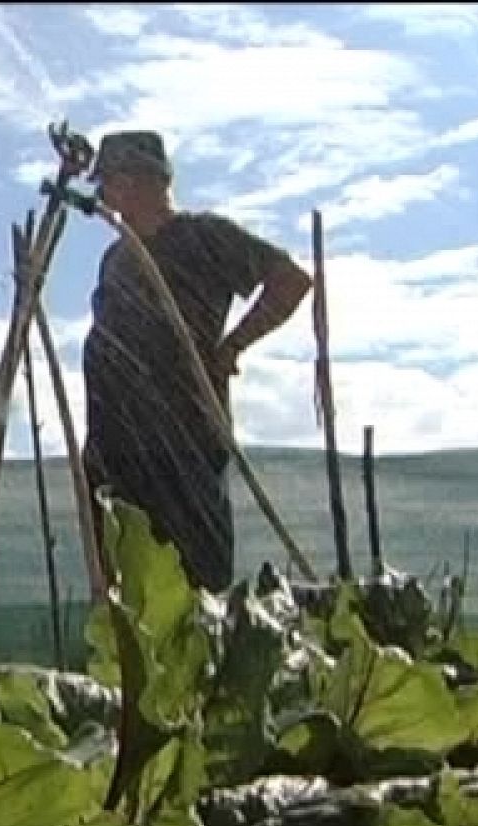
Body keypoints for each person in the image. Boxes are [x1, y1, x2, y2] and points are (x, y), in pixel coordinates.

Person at [82, 130, 311, 593]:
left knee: (193, 580)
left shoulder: (204, 237)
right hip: (117, 448)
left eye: (106, 182)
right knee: (125, 591)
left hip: (181, 440)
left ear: (133, 180)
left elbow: (290, 280)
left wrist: (230, 348)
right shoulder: (116, 258)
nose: (102, 196)